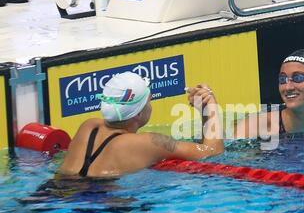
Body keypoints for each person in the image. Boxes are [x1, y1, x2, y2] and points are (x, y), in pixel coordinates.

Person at [57, 72, 224, 178]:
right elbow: (212, 151)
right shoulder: (149, 142)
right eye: (149, 101)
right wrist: (209, 107)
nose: (150, 105)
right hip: (100, 205)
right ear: (138, 113)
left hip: (54, 194)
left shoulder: (88, 126)